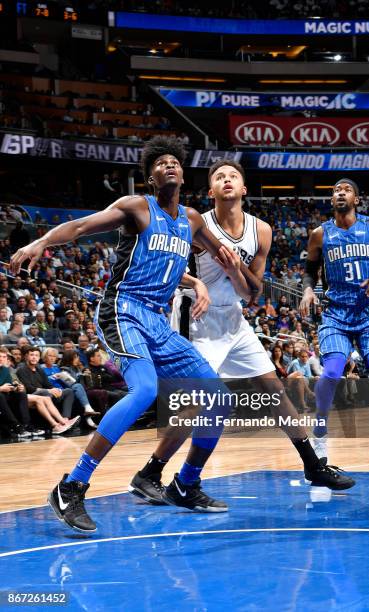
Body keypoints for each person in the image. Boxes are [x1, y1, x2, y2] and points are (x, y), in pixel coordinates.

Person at [10, 135, 261, 533]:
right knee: (143, 390)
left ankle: (185, 484)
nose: (169, 166)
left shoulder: (193, 220)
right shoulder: (136, 209)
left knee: (218, 397)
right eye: (159, 164)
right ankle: (71, 486)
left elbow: (217, 261)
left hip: (158, 322)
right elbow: (80, 226)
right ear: (150, 180)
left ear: (183, 172)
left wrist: (204, 281)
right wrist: (42, 241)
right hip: (123, 311)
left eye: (173, 162)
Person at [129, 159, 354, 506]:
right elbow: (167, 270)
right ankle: (151, 474)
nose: (227, 179)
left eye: (233, 175)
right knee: (199, 405)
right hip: (196, 317)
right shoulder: (193, 223)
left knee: (274, 389)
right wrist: (196, 284)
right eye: (219, 177)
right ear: (211, 191)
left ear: (244, 188)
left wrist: (236, 271)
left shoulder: (260, 230)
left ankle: (313, 465)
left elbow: (253, 293)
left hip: (233, 318)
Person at [300, 178, 369, 463]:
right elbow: (309, 270)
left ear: (356, 199)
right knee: (332, 372)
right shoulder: (319, 234)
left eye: (345, 190)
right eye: (335, 190)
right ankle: (320, 433)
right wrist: (309, 289)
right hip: (336, 313)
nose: (339, 193)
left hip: (368, 311)